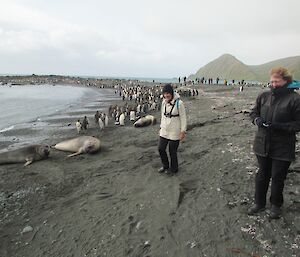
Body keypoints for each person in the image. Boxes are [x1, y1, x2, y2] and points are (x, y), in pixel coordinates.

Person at [248, 67, 300, 219]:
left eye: (276, 81)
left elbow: (298, 124)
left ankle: (276, 205)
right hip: (262, 143)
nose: (273, 84)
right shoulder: (263, 95)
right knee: (262, 175)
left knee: (278, 176)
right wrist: (257, 120)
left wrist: (279, 126)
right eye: (271, 81)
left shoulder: (295, 99)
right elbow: (253, 112)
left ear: (286, 81)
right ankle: (259, 203)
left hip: (283, 146)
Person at [158, 84, 187, 175]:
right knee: (161, 148)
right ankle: (165, 165)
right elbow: (162, 116)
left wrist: (183, 131)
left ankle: (174, 169)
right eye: (164, 93)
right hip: (165, 129)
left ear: (172, 93)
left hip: (175, 130)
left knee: (172, 150)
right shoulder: (164, 102)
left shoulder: (179, 103)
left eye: (168, 93)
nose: (166, 95)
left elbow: (183, 118)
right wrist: (161, 127)